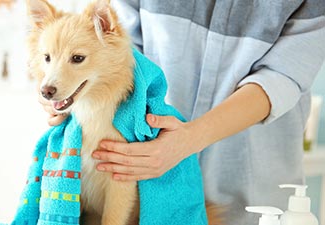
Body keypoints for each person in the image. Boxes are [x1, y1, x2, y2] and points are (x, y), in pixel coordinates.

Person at [39, 1, 325, 224]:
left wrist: (188, 140)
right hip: (143, 178)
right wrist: (69, 91)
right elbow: (118, 48)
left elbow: (283, 74)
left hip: (250, 181)